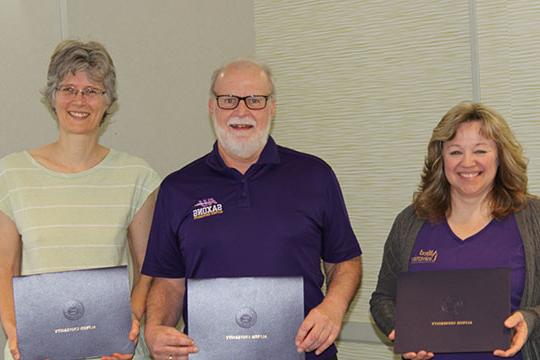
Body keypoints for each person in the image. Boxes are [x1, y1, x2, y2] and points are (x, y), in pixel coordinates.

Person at [141, 59, 362, 360]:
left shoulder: (315, 175)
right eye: (228, 100)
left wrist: (333, 307)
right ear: (212, 107)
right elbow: (168, 281)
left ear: (272, 107)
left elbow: (345, 261)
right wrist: (155, 328)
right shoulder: (177, 188)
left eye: (255, 100)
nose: (241, 111)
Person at [0, 40, 161, 360]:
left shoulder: (137, 175)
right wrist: (17, 333)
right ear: (52, 96)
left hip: (113, 353)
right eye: (69, 88)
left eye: (92, 90)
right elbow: (4, 267)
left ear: (109, 101)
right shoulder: (10, 174)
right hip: (35, 351)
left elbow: (149, 267)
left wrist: (127, 326)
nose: (79, 100)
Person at [370, 102, 540, 360]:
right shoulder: (411, 221)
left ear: (500, 156)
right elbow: (383, 298)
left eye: (480, 150)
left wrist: (532, 318)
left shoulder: (534, 218)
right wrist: (401, 331)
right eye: (455, 152)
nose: (467, 162)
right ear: (440, 159)